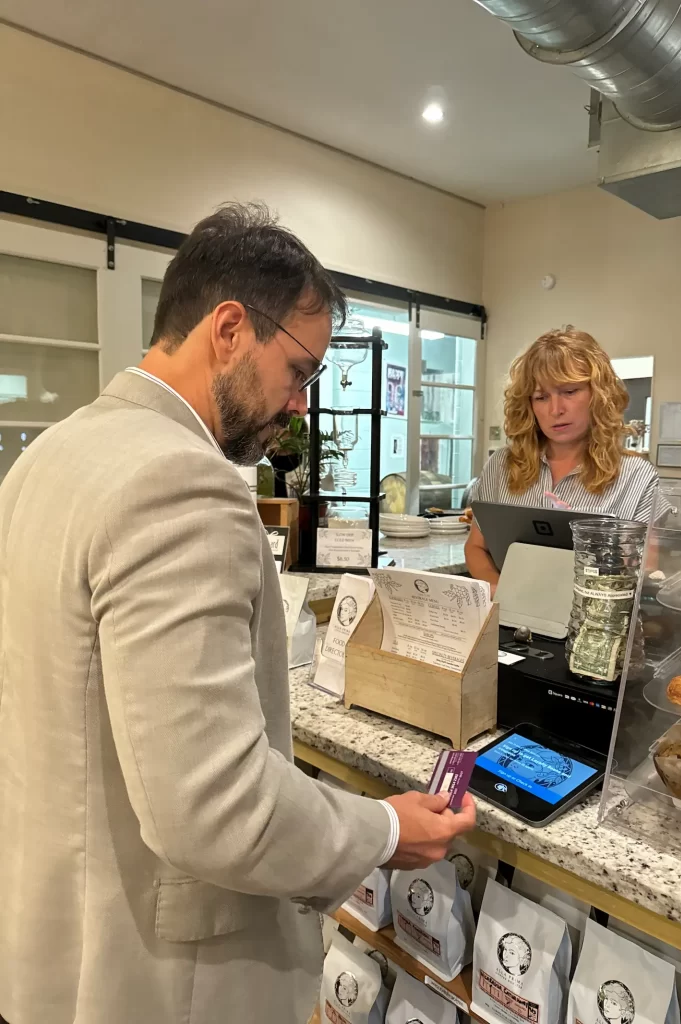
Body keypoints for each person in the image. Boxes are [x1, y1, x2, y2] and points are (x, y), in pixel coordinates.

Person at [0, 203, 475, 1024]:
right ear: (228, 329)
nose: (299, 406)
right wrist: (384, 832)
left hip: (48, 939)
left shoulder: (48, 456)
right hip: (161, 978)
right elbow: (216, 807)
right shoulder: (182, 482)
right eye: (299, 371)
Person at [465, 327, 664, 593]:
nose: (555, 409)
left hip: (593, 624)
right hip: (511, 623)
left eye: (569, 392)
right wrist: (501, 593)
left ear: (598, 394)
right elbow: (476, 547)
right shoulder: (502, 465)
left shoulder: (637, 476)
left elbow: (645, 570)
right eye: (541, 397)